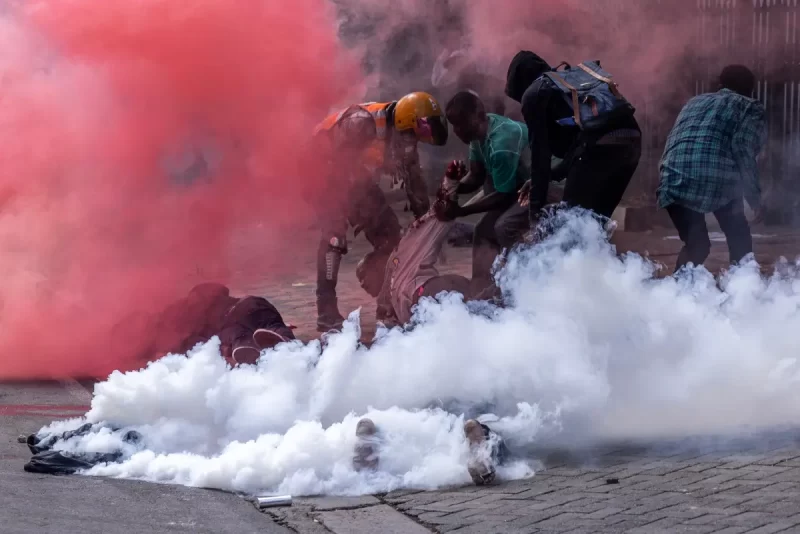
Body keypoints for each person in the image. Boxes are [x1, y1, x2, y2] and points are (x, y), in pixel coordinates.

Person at [311, 92, 449, 332]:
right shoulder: (361, 123)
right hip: (320, 172)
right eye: (410, 137)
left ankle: (384, 296)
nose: (410, 144)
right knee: (334, 237)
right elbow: (336, 168)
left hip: (354, 179)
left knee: (391, 237)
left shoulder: (402, 138)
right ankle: (326, 312)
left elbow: (415, 187)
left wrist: (428, 229)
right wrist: (344, 208)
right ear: (406, 123)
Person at [504, 51, 642, 229]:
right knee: (593, 226)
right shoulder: (566, 86)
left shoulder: (533, 94)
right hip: (632, 141)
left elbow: (540, 157)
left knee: (572, 226)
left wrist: (534, 216)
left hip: (600, 147)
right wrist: (548, 177)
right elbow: (578, 148)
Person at [657, 65, 766, 271]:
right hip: (717, 179)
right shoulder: (750, 107)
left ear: (720, 84)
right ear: (751, 88)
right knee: (738, 235)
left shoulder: (695, 101)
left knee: (697, 245)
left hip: (672, 177)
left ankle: (678, 293)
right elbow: (743, 150)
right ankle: (742, 290)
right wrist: (755, 199)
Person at [433, 91, 530, 296]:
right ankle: (481, 290)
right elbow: (476, 176)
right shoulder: (478, 136)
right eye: (454, 125)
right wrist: (451, 186)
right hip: (516, 188)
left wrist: (460, 210)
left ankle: (521, 283)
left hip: (540, 186)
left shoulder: (501, 145)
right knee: (482, 231)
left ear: (478, 114)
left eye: (461, 123)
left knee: (504, 226)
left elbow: (503, 195)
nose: (457, 131)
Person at [113, 283, 295, 367]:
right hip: (252, 304)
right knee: (271, 324)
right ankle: (284, 340)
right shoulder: (181, 307)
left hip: (232, 321)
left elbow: (201, 346)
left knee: (234, 336)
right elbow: (220, 288)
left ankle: (247, 345)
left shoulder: (169, 332)